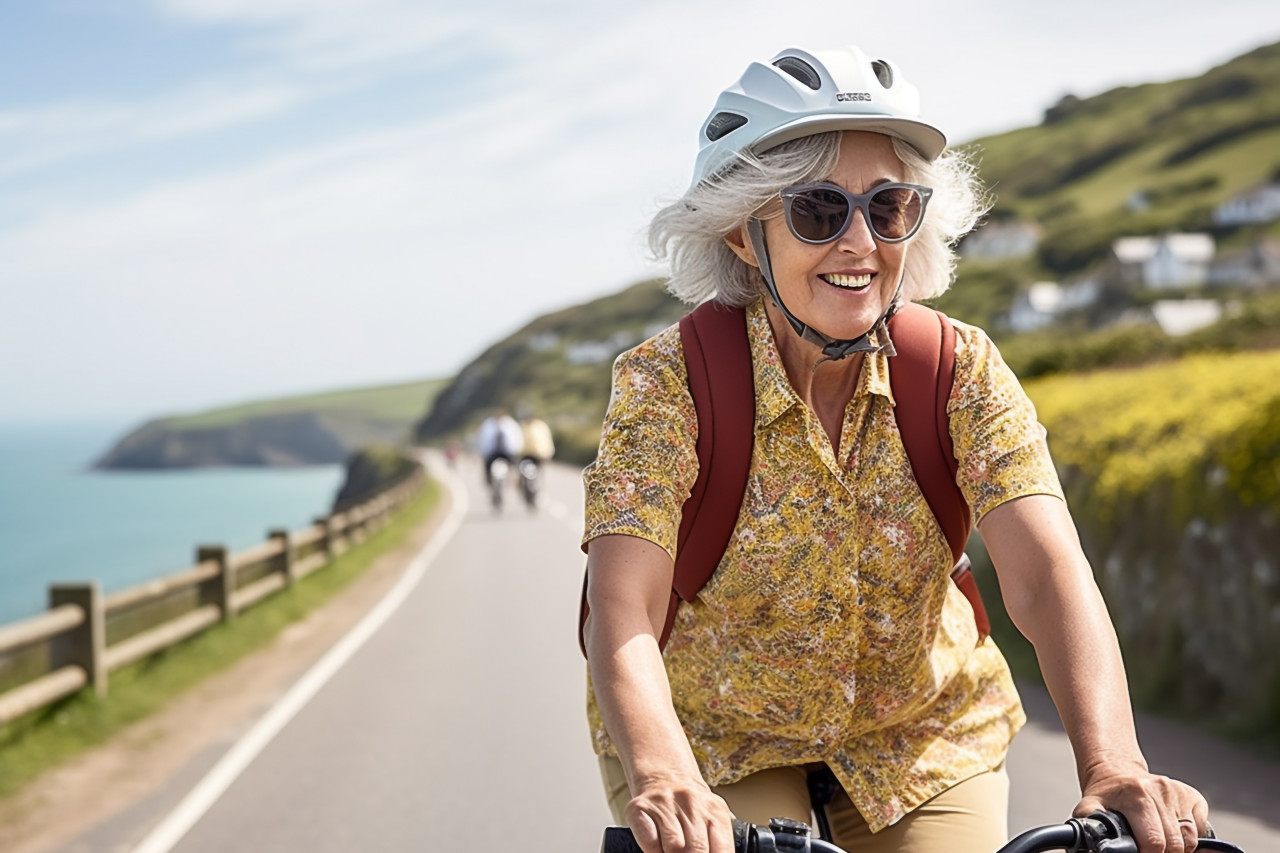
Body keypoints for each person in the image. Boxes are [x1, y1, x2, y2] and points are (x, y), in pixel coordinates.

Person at [578, 46, 1211, 853]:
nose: (860, 243)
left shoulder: (960, 369)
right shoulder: (667, 383)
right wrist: (666, 774)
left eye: (888, 208)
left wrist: (1115, 762)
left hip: (919, 732)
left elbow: (1047, 574)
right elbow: (621, 605)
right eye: (816, 210)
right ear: (743, 231)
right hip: (712, 734)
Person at [475, 407, 523, 488]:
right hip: (492, 452)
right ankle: (489, 481)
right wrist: (484, 452)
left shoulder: (511, 424)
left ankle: (515, 483)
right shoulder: (488, 424)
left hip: (508, 452)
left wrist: (517, 450)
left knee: (514, 468)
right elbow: (483, 440)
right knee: (488, 467)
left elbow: (517, 438)